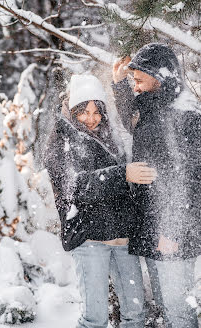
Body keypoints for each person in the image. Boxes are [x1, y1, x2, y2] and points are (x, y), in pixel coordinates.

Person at [44, 74, 146, 328]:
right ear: (74, 110)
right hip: (89, 239)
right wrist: (122, 174)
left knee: (135, 315)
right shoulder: (61, 140)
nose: (91, 119)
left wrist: (120, 84)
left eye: (96, 112)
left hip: (122, 238)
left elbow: (133, 122)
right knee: (95, 318)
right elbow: (75, 186)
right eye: (84, 112)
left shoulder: (111, 136)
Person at [112, 43, 201, 328]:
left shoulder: (185, 117)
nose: (133, 79)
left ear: (159, 75)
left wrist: (172, 231)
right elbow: (134, 123)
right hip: (152, 226)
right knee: (166, 307)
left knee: (178, 310)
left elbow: (188, 182)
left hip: (173, 231)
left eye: (139, 76)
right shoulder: (153, 108)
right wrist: (120, 86)